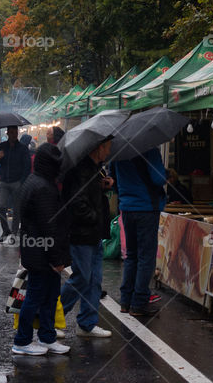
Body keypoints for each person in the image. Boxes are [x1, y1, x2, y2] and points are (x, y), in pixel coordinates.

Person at [12, 143, 71, 356]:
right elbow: (49, 226)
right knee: (36, 298)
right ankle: (22, 340)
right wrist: (57, 258)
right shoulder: (44, 187)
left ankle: (47, 337)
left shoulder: (34, 181)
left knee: (48, 296)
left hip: (36, 251)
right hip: (43, 254)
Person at [60, 136, 114, 337]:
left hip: (94, 234)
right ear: (98, 148)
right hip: (82, 233)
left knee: (95, 280)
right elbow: (76, 202)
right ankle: (54, 317)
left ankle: (88, 323)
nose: (108, 152)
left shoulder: (95, 169)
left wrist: (103, 186)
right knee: (82, 277)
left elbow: (89, 196)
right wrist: (93, 218)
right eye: (107, 148)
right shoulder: (80, 171)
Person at [112, 147, 166, 317]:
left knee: (132, 255)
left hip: (126, 207)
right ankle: (140, 302)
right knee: (146, 257)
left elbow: (113, 178)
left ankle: (126, 301)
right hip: (146, 207)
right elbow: (158, 179)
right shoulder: (149, 148)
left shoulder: (118, 149)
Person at [0, 125, 30, 244]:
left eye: (16, 132)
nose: (14, 134)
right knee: (1, 207)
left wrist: (22, 182)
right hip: (3, 182)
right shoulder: (1, 146)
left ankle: (14, 233)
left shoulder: (23, 148)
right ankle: (6, 231)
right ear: (8, 133)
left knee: (17, 209)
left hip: (16, 182)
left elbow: (27, 167)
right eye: (12, 132)